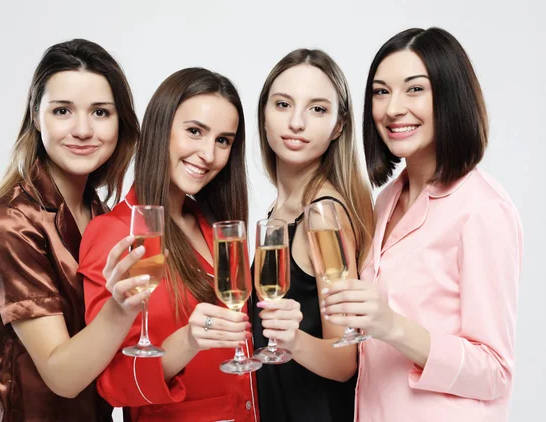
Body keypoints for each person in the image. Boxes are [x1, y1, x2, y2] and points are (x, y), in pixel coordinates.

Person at [321, 27, 523, 421]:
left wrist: (392, 326)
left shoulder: (483, 209)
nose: (393, 108)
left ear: (450, 96)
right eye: (381, 92)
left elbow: (496, 371)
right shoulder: (385, 201)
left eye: (415, 89)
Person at [80, 67, 286, 421]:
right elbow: (112, 385)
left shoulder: (214, 226)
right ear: (161, 130)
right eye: (194, 132)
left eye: (223, 141)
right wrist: (189, 340)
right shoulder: (115, 232)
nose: (208, 154)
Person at [0, 39, 149, 421]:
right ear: (36, 117)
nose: (83, 129)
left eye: (100, 112)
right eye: (63, 111)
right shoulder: (11, 222)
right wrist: (122, 309)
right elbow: (62, 376)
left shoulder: (102, 215)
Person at [252, 48, 375, 421]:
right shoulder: (281, 208)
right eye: (283, 104)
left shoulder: (324, 215)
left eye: (317, 109)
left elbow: (344, 359)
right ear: (264, 114)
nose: (297, 122)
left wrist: (291, 341)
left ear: (338, 125)